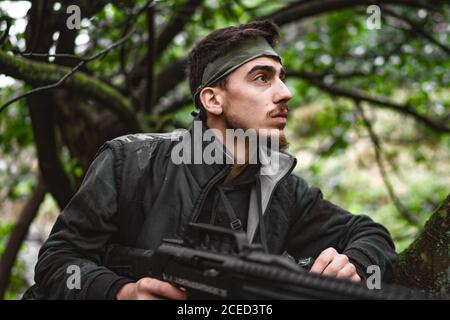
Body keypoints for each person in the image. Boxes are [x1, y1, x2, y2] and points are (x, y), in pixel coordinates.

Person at [23, 20, 397, 300]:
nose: (286, 93)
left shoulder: (282, 188)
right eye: (262, 78)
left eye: (281, 78)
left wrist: (356, 265)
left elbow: (371, 234)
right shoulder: (130, 160)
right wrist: (120, 293)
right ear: (213, 100)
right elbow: (57, 261)